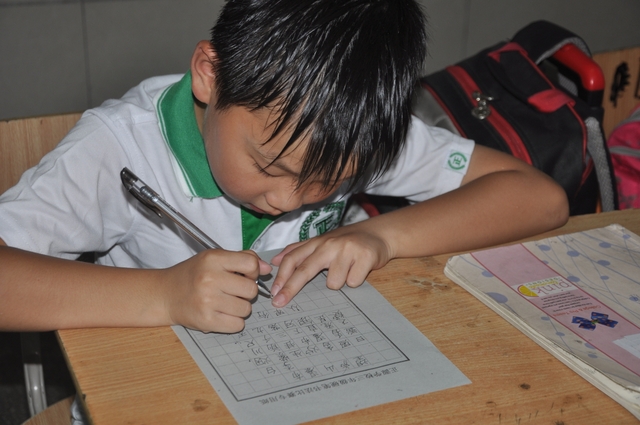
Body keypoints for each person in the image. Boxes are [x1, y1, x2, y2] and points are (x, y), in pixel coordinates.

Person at [0, 0, 568, 335]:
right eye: (266, 165)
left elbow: (539, 198)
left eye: (329, 182)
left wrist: (382, 236)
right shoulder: (119, 147)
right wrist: (164, 296)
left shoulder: (354, 129)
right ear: (209, 76)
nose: (289, 201)